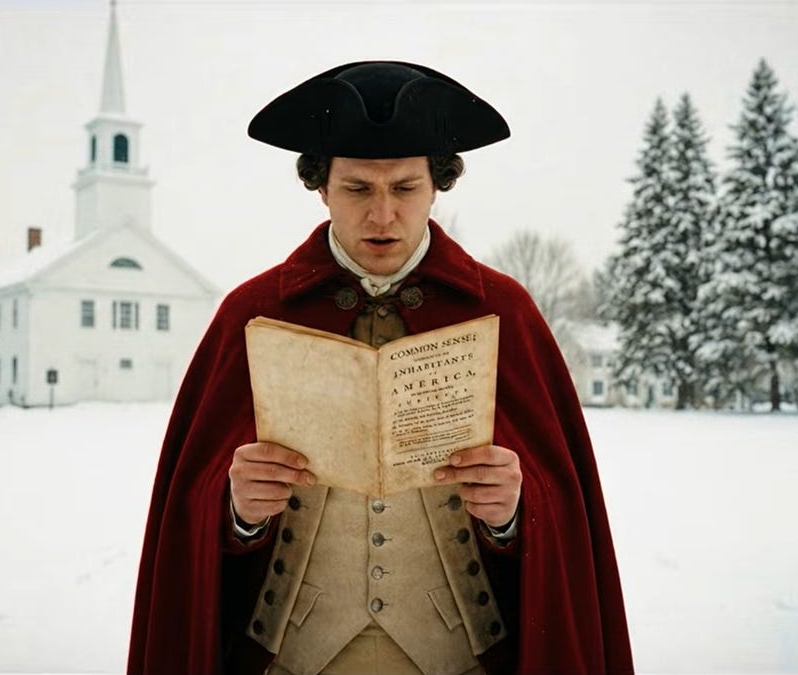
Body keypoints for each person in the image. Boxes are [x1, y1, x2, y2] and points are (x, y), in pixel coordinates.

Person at [128, 61, 632, 674]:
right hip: (290, 660)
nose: (383, 215)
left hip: (461, 658)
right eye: (358, 189)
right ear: (321, 186)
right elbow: (189, 511)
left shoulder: (506, 313)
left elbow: (564, 515)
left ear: (437, 184)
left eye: (405, 187)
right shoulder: (251, 313)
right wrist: (236, 510)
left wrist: (513, 514)